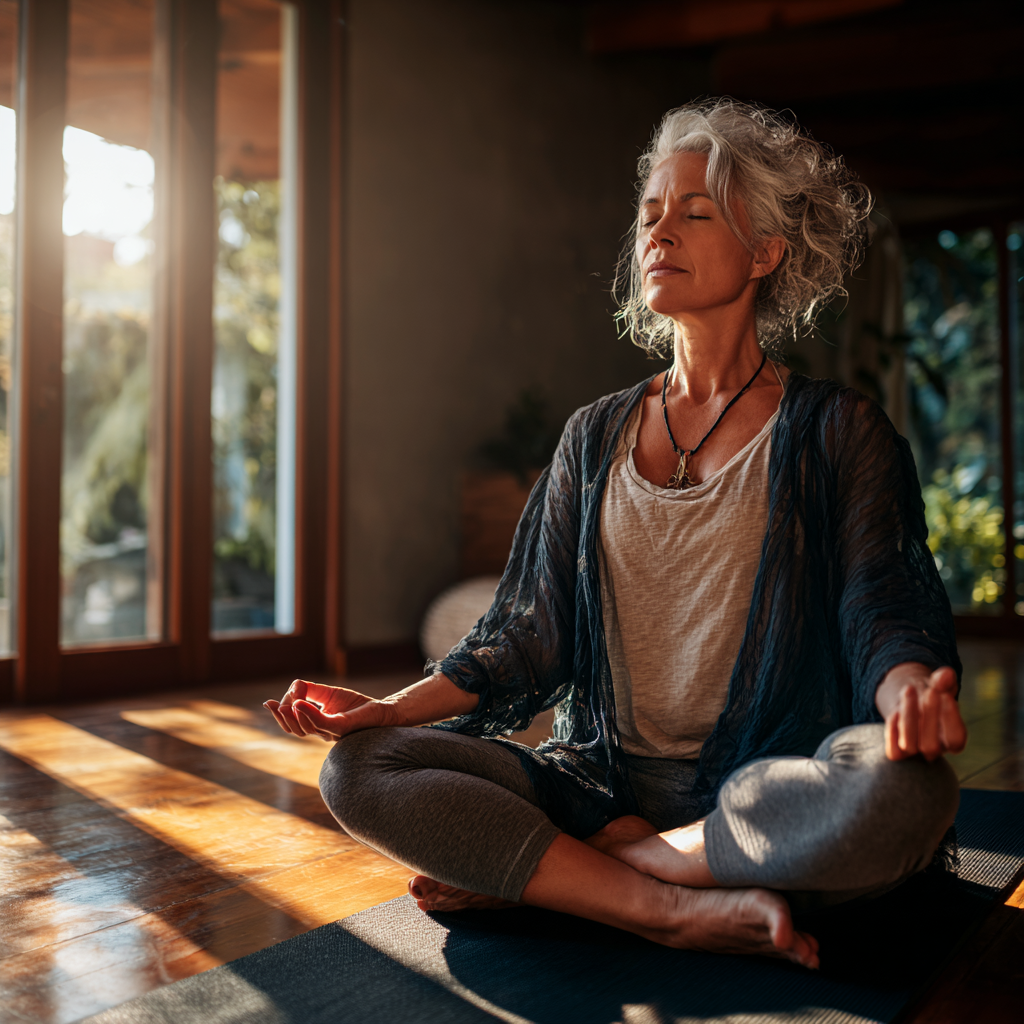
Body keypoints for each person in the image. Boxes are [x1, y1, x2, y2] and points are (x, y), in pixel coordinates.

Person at [265, 99, 967, 969]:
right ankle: (657, 904)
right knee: (359, 770)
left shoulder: (837, 431)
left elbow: (881, 603)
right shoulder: (593, 434)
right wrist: (387, 709)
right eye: (650, 216)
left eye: (695, 213)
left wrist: (906, 697)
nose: (659, 232)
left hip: (765, 783)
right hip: (597, 785)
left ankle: (591, 875)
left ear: (765, 253)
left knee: (906, 793)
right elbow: (525, 633)